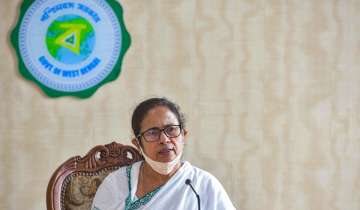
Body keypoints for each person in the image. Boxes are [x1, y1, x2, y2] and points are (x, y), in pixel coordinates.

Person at [91, 97, 236, 210]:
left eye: (171, 129)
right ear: (137, 144)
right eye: (153, 133)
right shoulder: (116, 183)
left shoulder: (203, 185)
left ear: (183, 135)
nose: (165, 139)